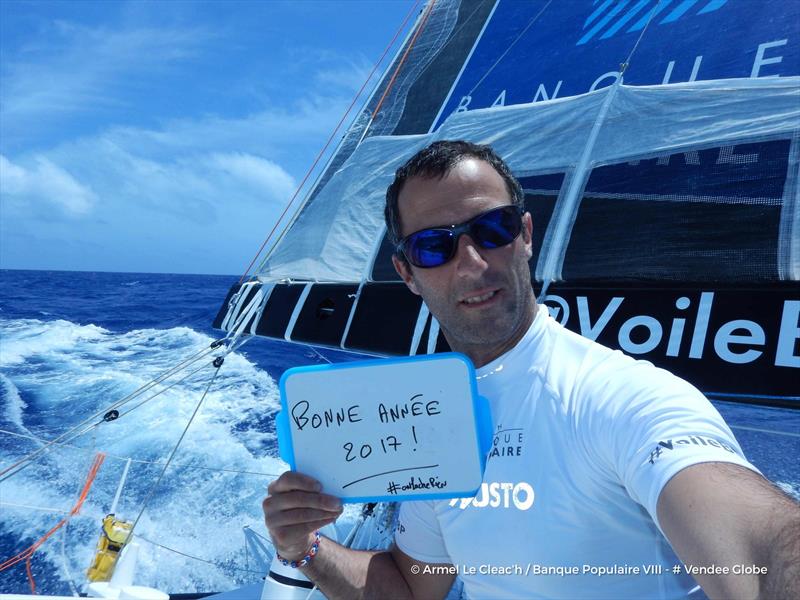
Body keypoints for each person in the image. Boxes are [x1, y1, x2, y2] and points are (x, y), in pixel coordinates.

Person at [262, 140, 799, 599]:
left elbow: (759, 547)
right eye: (433, 247)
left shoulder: (624, 397)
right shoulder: (430, 418)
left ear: (525, 235)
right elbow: (411, 584)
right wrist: (302, 546)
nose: (472, 263)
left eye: (491, 229)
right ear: (406, 272)